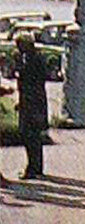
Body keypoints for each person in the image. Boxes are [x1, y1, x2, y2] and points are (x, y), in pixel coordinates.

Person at [11, 32, 50, 180]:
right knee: (33, 136)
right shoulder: (36, 57)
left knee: (30, 135)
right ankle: (36, 167)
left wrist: (18, 67)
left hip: (32, 102)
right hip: (34, 101)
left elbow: (28, 79)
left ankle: (33, 168)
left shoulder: (31, 59)